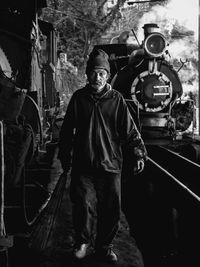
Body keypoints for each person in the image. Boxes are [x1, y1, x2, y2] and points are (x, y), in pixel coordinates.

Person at [57, 49, 147, 263]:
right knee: (82, 204)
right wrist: (64, 155)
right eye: (94, 73)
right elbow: (67, 130)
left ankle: (105, 247)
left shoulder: (116, 100)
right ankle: (82, 242)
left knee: (111, 208)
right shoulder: (79, 98)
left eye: (102, 73)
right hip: (83, 163)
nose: (97, 77)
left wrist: (139, 152)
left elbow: (130, 131)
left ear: (107, 76)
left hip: (110, 164)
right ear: (87, 74)